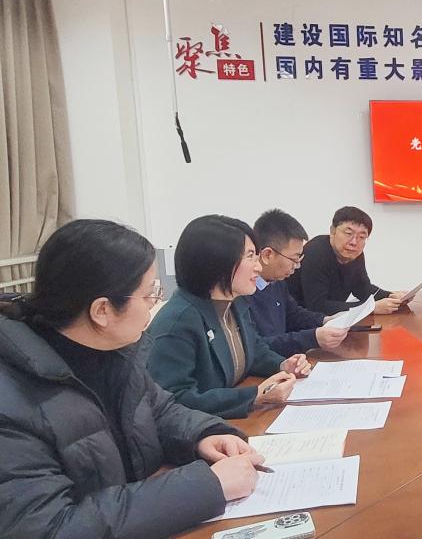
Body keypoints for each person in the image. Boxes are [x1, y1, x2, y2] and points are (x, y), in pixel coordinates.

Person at [0, 219, 264, 537]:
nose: (155, 304)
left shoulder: (114, 352)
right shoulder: (12, 401)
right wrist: (208, 486)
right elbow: (49, 528)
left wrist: (204, 436)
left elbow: (160, 411)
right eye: (150, 293)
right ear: (102, 311)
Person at [147, 215, 312, 418]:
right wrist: (253, 397)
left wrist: (283, 365)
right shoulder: (179, 322)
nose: (259, 266)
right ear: (217, 262)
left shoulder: (234, 302)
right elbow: (175, 399)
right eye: (250, 256)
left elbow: (254, 350)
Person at [249, 209, 348, 356]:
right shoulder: (243, 291)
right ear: (267, 255)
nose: (297, 266)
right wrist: (313, 338)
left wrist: (325, 320)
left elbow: (293, 315)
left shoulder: (276, 281)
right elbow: (256, 347)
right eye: (294, 259)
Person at [288, 206, 407, 315]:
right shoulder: (316, 253)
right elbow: (317, 306)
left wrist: (391, 296)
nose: (354, 242)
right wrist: (370, 308)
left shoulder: (355, 254)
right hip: (298, 323)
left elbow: (362, 288)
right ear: (332, 232)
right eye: (348, 233)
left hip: (329, 322)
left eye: (362, 237)